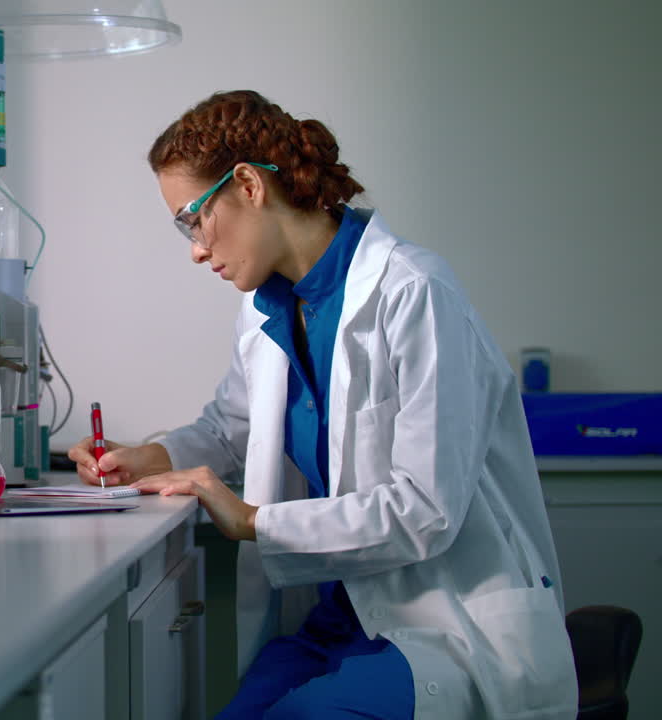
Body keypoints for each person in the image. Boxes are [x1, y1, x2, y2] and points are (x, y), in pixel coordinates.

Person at [69, 91, 576, 719]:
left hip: (444, 622)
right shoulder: (266, 314)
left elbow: (426, 509)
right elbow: (231, 431)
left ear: (249, 184)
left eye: (193, 219)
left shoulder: (412, 291)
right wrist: (145, 457)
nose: (196, 248)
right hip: (341, 619)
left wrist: (253, 520)